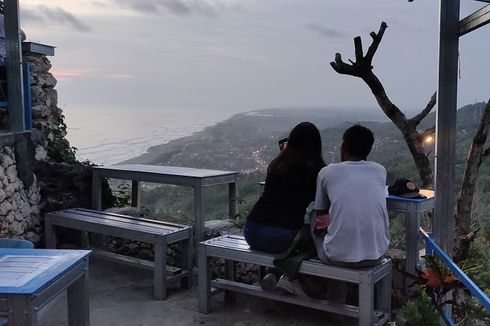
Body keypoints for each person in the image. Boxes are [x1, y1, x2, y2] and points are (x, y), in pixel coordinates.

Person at [312, 124, 389, 268]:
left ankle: (299, 275)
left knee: (312, 216)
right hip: (377, 255)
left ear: (344, 146)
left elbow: (320, 212)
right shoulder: (380, 170)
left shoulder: (327, 172)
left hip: (337, 257)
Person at [244, 121, 326, 255]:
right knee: (312, 237)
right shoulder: (317, 171)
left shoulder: (276, 164)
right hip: (282, 235)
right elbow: (320, 204)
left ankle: (272, 274)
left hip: (251, 230)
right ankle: (284, 275)